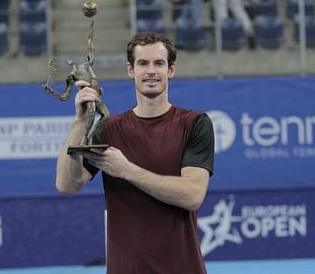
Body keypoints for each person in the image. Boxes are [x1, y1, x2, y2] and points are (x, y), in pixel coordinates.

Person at [55, 31, 215, 274]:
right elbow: (67, 184)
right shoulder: (108, 128)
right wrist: (80, 121)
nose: (151, 71)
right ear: (130, 70)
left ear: (171, 70)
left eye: (159, 63)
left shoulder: (195, 123)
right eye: (143, 63)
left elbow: (192, 195)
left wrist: (126, 170)